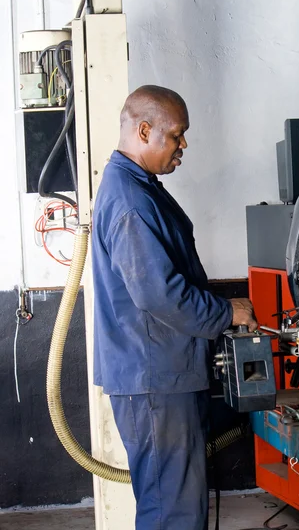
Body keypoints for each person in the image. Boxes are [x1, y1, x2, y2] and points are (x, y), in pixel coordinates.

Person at [92, 85, 257, 530]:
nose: (183, 145)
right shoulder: (130, 200)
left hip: (160, 371)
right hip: (155, 378)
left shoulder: (138, 187)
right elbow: (159, 293)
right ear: (144, 130)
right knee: (173, 511)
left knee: (172, 502)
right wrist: (227, 313)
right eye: (177, 135)